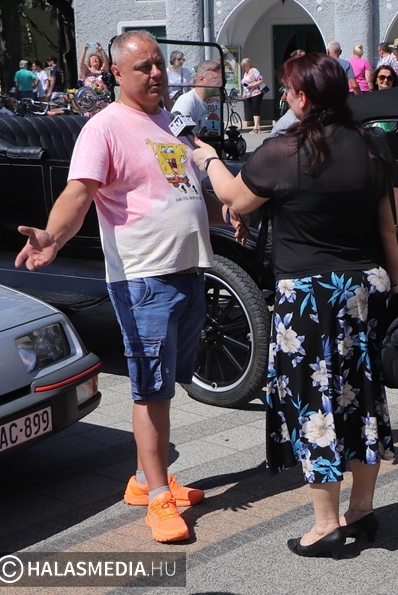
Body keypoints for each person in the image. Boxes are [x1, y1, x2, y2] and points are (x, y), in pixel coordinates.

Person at [14, 29, 242, 544]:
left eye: (159, 63)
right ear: (116, 73)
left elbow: (183, 191)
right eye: (144, 67)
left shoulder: (170, 123)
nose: (156, 73)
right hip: (143, 279)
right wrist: (52, 235)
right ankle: (158, 496)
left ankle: (144, 479)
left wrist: (225, 212)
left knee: (164, 387)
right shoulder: (105, 128)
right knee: (149, 388)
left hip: (189, 271)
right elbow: (79, 193)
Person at [193, 52, 398, 559]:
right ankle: (362, 509)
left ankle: (326, 525)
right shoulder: (372, 143)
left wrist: (209, 160)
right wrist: (393, 289)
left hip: (309, 297)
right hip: (364, 289)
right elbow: (390, 225)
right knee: (361, 398)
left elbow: (235, 198)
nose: (285, 98)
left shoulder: (282, 150)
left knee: (316, 403)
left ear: (304, 98)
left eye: (288, 92)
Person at [171, 60, 223, 134]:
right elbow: (179, 136)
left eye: (221, 79)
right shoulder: (186, 101)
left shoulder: (214, 104)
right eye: (216, 79)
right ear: (202, 79)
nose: (220, 83)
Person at [241, 57, 266, 133]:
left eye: (245, 66)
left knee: (255, 109)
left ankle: (256, 127)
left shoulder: (254, 70)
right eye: (243, 66)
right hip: (249, 94)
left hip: (256, 92)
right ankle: (257, 127)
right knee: (253, 109)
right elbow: (245, 84)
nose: (244, 68)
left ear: (249, 64)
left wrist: (253, 85)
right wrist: (244, 92)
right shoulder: (245, 74)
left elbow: (261, 80)